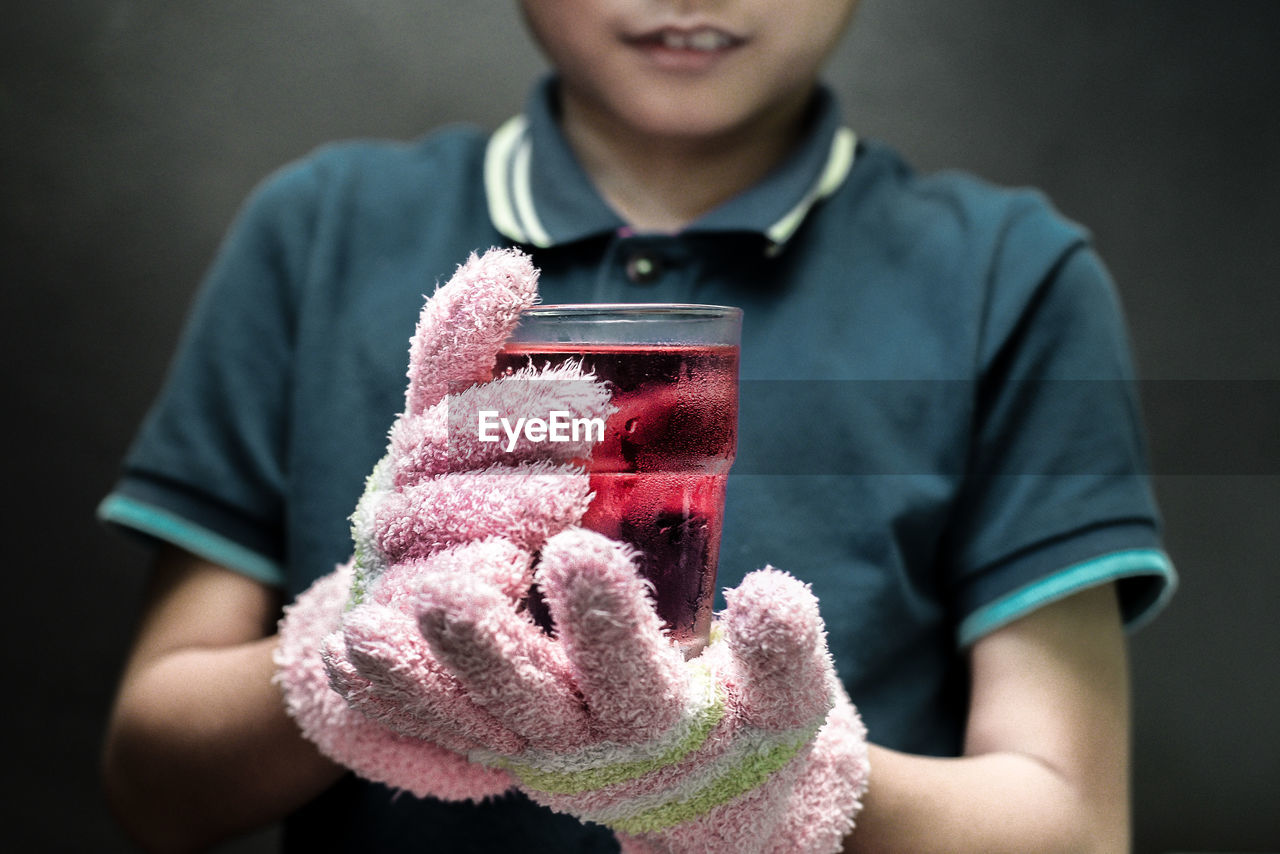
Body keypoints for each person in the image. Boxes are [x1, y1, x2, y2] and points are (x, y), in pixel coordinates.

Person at [99, 1, 1177, 852]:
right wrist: (359, 640)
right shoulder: (318, 231)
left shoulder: (1010, 278)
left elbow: (1069, 823)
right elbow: (155, 789)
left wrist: (767, 780)